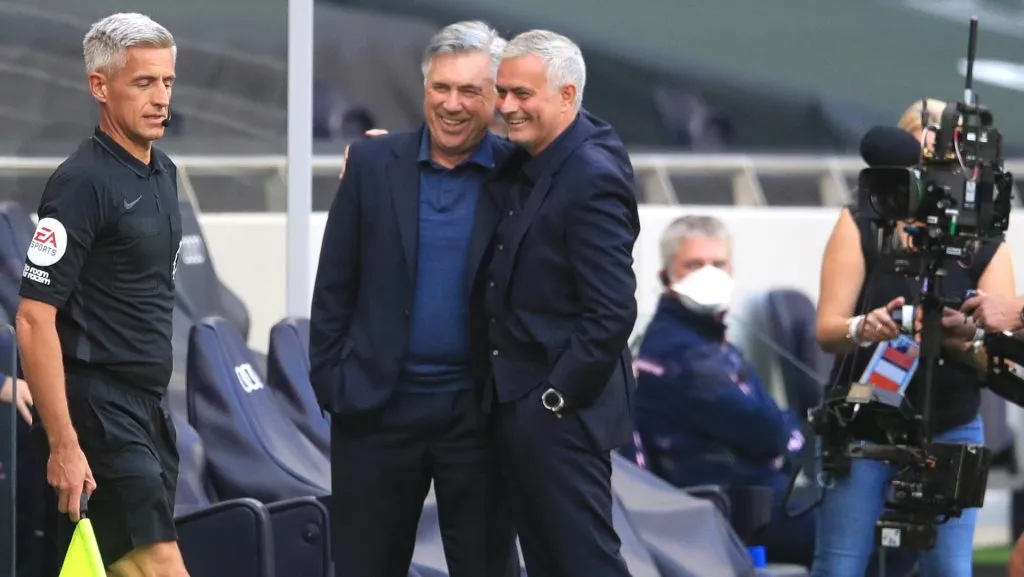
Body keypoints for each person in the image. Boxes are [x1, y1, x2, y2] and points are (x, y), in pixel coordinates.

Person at [309, 21, 518, 577]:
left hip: (478, 417)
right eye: (440, 88)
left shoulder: (521, 175)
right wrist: (331, 381)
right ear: (424, 88)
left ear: (496, 98)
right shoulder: (373, 165)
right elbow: (334, 283)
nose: (451, 104)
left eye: (470, 91)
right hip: (376, 411)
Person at [14, 12, 187, 576]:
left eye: (166, 81)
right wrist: (64, 442)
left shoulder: (163, 172)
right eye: (143, 82)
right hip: (98, 413)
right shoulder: (80, 183)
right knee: (161, 567)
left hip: (149, 411)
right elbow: (34, 320)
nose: (160, 98)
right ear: (100, 86)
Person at [811, 106, 1016, 574]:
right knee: (840, 564)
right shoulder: (863, 222)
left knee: (950, 567)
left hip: (952, 421)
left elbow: (1000, 354)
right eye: (925, 157)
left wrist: (959, 339)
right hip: (865, 418)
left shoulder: (984, 240)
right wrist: (865, 327)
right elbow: (828, 329)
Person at [485, 30, 639, 577]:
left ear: (568, 95)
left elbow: (613, 311)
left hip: (561, 415)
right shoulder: (550, 152)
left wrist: (553, 400)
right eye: (502, 93)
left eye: (522, 94)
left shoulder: (591, 176)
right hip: (529, 407)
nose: (506, 107)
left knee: (582, 562)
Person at [632, 215, 814, 566]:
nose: (709, 274)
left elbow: (773, 424)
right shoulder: (679, 352)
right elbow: (769, 431)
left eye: (718, 264)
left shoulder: (711, 341)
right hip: (724, 508)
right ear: (666, 276)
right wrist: (787, 437)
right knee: (866, 528)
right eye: (694, 265)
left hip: (752, 496)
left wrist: (786, 435)